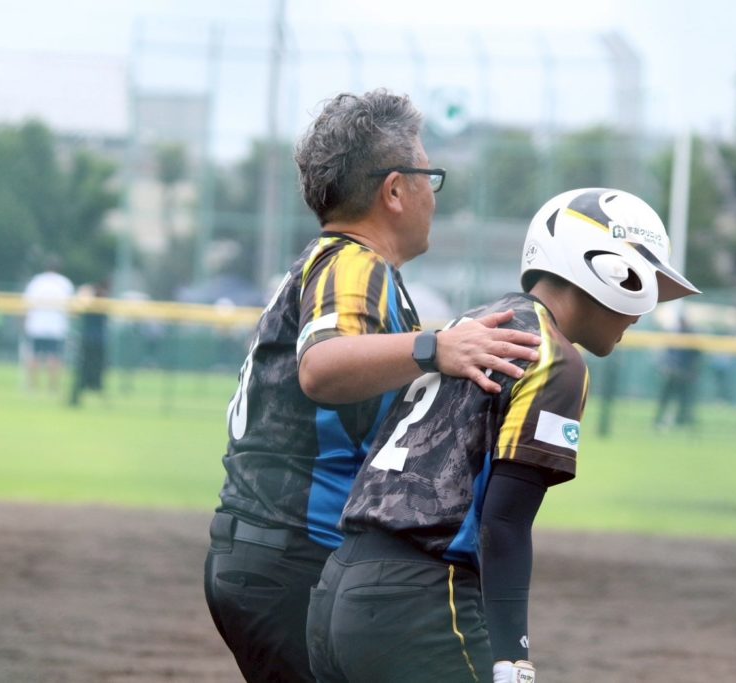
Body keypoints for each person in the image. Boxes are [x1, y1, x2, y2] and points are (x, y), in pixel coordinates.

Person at [203, 89, 542, 683]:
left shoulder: (341, 263)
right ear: (394, 190)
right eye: (428, 176)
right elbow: (322, 365)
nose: (433, 194)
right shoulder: (352, 263)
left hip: (270, 553)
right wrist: (437, 347)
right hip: (293, 553)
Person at [306, 187, 700, 682]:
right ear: (607, 270)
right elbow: (505, 523)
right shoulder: (553, 357)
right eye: (642, 284)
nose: (641, 314)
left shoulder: (472, 324)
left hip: (335, 592)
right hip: (421, 600)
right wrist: (514, 657)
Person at [22, 258, 74, 393]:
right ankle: (53, 387)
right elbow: (70, 307)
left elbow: (27, 304)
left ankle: (32, 386)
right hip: (57, 326)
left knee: (34, 356)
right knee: (54, 356)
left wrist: (24, 323)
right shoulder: (64, 283)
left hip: (36, 325)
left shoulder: (37, 281)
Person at [653, 314, 702, 429]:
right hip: (673, 373)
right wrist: (667, 368)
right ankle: (659, 420)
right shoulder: (675, 337)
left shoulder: (692, 339)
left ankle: (682, 420)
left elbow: (696, 357)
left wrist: (692, 371)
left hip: (684, 375)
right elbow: (668, 355)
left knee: (684, 400)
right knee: (666, 399)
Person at [69, 280, 110, 407]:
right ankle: (77, 397)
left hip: (96, 342)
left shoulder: (102, 303)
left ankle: (94, 392)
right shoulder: (89, 302)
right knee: (85, 370)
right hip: (90, 341)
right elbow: (75, 312)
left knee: (95, 371)